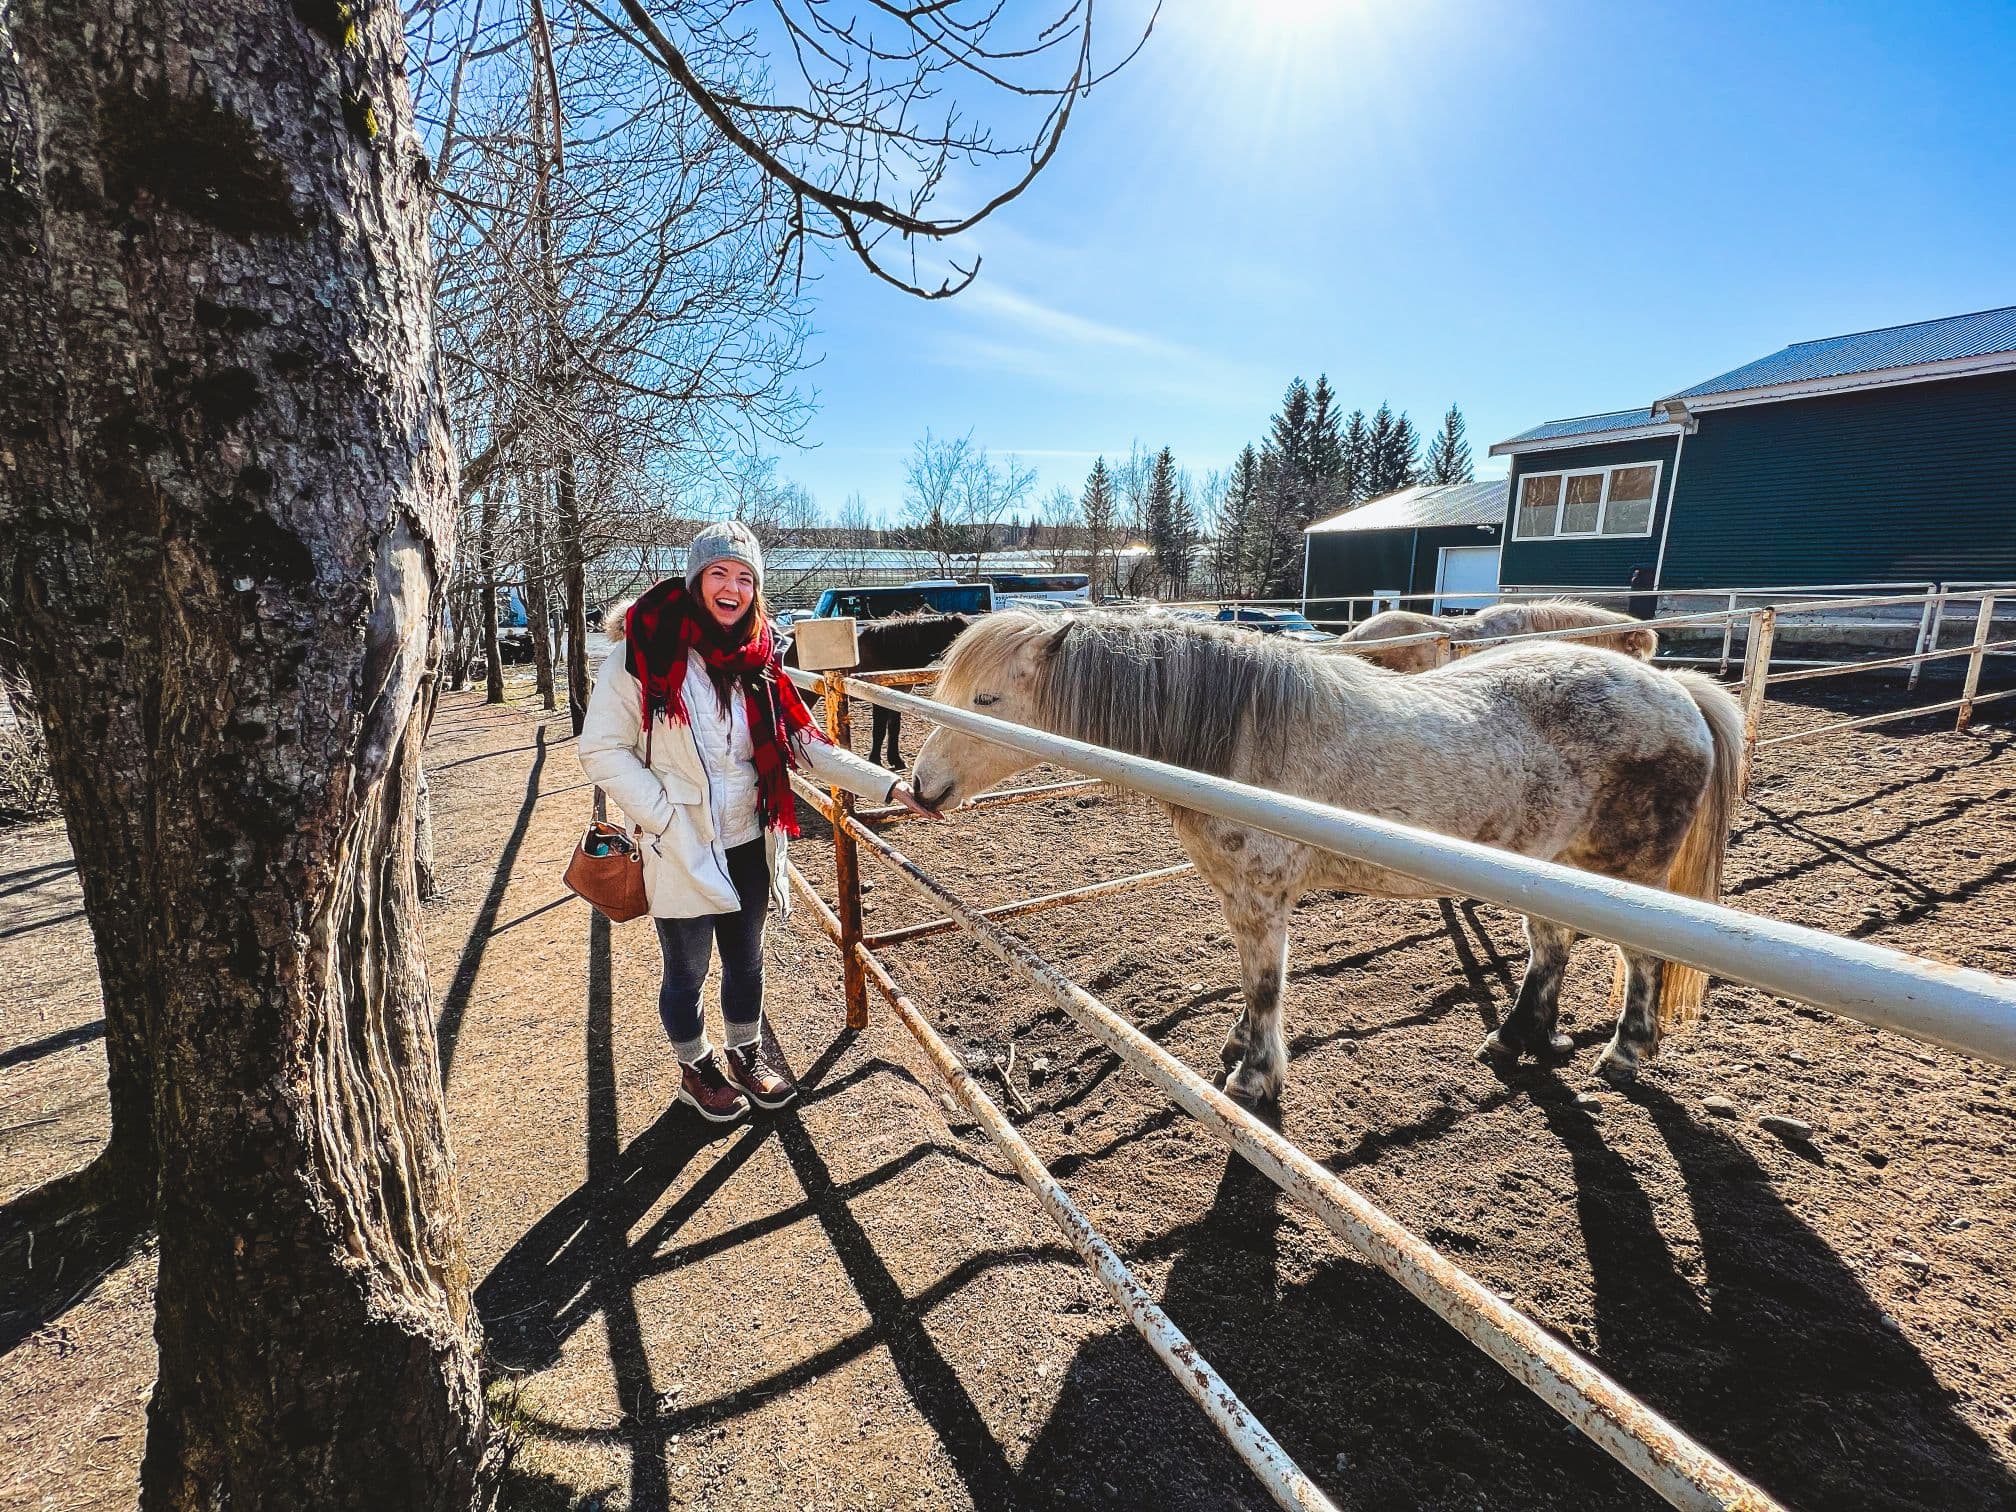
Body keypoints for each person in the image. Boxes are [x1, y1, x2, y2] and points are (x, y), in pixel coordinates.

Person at [579, 522, 940, 1123]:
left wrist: (889, 785)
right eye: (719, 573)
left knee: (747, 960)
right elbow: (601, 750)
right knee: (687, 968)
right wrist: (666, 816)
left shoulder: (761, 657)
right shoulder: (642, 652)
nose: (733, 587)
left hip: (750, 835)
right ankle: (695, 1069)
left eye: (745, 577)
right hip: (681, 841)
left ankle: (745, 1053)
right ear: (695, 581)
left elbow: (808, 745)